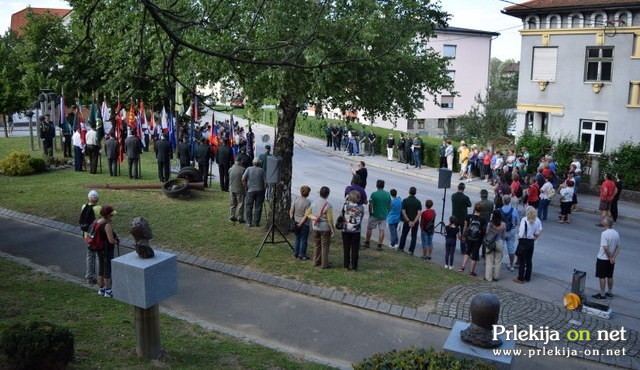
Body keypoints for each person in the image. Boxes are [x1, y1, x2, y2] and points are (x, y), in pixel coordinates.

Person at [306, 186, 335, 269]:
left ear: (320, 193)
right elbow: (330, 219)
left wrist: (313, 217)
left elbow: (307, 213)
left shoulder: (314, 203)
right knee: (325, 246)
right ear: (327, 195)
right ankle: (324, 264)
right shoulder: (328, 205)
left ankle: (316, 261)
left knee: (316, 245)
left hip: (315, 227)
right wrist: (332, 229)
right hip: (325, 228)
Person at [592, 217, 621, 299]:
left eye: (603, 220)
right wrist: (613, 258)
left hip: (603, 258)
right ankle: (610, 292)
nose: (601, 221)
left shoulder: (604, 234)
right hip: (611, 260)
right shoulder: (616, 233)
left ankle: (602, 294)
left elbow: (605, 247)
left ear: (605, 223)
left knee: (602, 277)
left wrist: (610, 257)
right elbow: (618, 247)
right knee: (610, 276)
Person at [513, 206, 542, 284]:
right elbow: (539, 231)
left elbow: (521, 232)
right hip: (531, 242)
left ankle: (520, 278)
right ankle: (527, 277)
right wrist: (535, 237)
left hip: (524, 241)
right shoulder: (537, 220)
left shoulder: (524, 219)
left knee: (522, 260)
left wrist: (519, 236)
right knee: (529, 260)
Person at [96, 205, 118, 298]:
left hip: (99, 249)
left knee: (101, 268)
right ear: (108, 215)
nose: (112, 216)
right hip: (106, 250)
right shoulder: (107, 225)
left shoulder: (98, 221)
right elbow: (110, 240)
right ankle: (108, 290)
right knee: (107, 269)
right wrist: (116, 241)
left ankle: (101, 289)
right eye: (111, 215)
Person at [459, 203, 487, 277]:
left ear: (474, 208)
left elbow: (465, 227)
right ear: (481, 210)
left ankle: (462, 267)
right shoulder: (483, 219)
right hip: (478, 239)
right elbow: (484, 231)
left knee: (468, 251)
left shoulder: (468, 216)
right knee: (475, 254)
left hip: (469, 237)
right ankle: (471, 271)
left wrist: (463, 236)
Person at [340, 190, 364, 270]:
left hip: (345, 229)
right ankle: (354, 265)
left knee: (346, 248)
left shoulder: (346, 206)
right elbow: (361, 217)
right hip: (356, 230)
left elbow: (342, 214)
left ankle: (346, 265)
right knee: (355, 249)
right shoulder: (361, 208)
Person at [364, 180, 391, 250]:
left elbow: (370, 205)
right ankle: (379, 245)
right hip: (383, 216)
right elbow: (389, 205)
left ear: (377, 185)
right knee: (382, 230)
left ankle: (367, 242)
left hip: (375, 214)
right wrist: (386, 212)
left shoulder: (374, 194)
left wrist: (370, 213)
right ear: (383, 186)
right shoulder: (387, 194)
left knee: (369, 228)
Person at [81, 190, 101, 285]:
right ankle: (100, 277)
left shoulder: (84, 207)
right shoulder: (99, 209)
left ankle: (89, 277)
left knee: (90, 256)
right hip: (97, 237)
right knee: (99, 256)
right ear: (97, 199)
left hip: (87, 236)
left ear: (88, 198)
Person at [242, 158, 266, 227]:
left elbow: (243, 179)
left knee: (249, 206)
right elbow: (265, 183)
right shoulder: (262, 170)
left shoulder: (249, 169)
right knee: (258, 207)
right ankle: (256, 222)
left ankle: (249, 222)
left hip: (250, 190)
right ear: (260, 164)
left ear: (253, 163)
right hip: (260, 190)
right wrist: (264, 190)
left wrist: (246, 187)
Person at [398, 186, 421, 255]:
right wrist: (414, 222)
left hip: (407, 221)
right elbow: (419, 214)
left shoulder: (405, 200)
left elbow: (403, 212)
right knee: (414, 236)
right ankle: (411, 250)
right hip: (415, 222)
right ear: (415, 193)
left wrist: (408, 221)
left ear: (409, 192)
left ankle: (401, 248)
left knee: (404, 234)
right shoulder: (418, 202)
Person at [290, 185, 312, 260]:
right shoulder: (308, 202)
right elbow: (306, 215)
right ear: (308, 193)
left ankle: (296, 252)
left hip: (296, 221)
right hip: (304, 223)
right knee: (303, 239)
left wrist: (292, 219)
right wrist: (301, 223)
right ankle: (302, 254)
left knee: (297, 238)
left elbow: (291, 210)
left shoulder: (296, 199)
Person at [484, 210, 505, 282]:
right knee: (498, 260)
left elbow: (486, 233)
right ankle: (496, 276)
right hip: (499, 242)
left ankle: (488, 277)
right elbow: (504, 235)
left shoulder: (490, 224)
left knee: (489, 260)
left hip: (490, 242)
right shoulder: (503, 224)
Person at [500, 195, 519, 272]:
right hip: (511, 230)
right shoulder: (514, 210)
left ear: (503, 201)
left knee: (500, 247)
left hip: (502, 231)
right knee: (511, 248)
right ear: (510, 201)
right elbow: (517, 222)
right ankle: (511, 264)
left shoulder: (499, 210)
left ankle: (498, 263)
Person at [451, 182, 471, 254]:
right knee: (463, 233)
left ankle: (452, 247)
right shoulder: (465, 197)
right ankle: (463, 249)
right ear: (464, 189)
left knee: (453, 233)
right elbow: (469, 205)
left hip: (454, 217)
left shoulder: (453, 196)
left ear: (458, 188)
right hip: (463, 218)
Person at [228, 158, 246, 223]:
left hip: (232, 188)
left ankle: (231, 217)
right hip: (240, 189)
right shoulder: (243, 170)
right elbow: (244, 179)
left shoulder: (230, 169)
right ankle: (239, 218)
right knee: (240, 204)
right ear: (240, 161)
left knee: (232, 204)